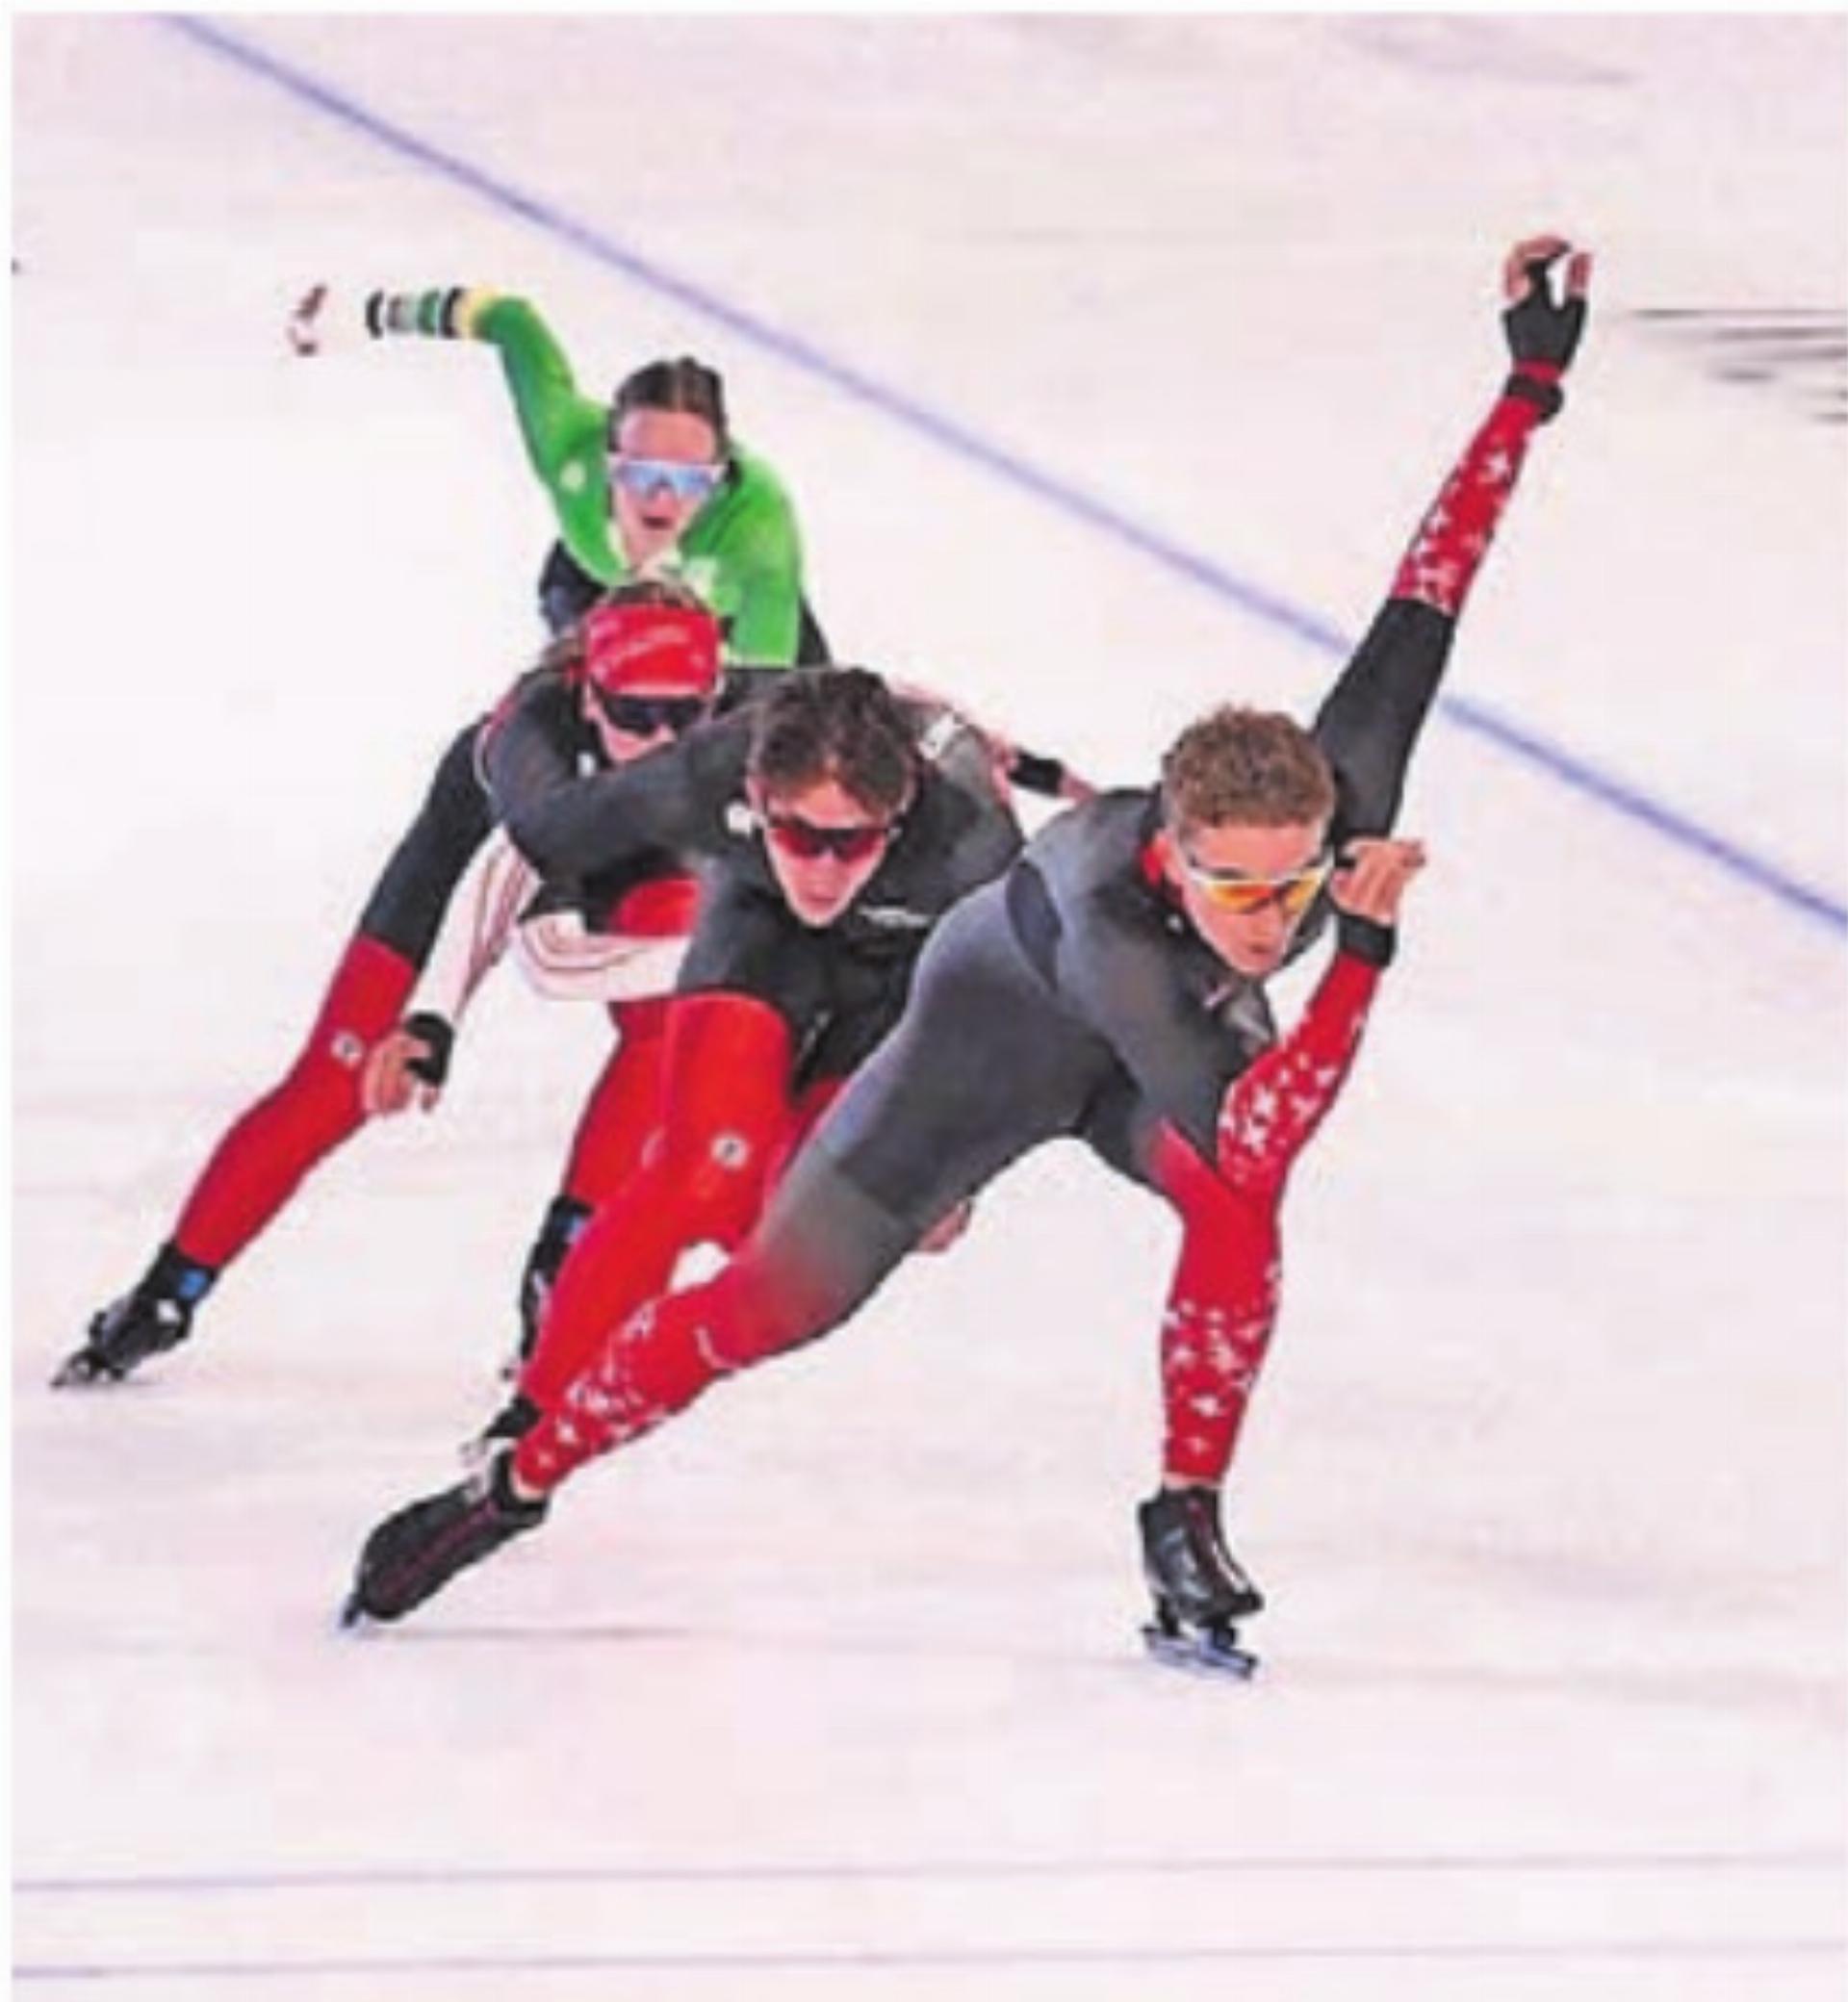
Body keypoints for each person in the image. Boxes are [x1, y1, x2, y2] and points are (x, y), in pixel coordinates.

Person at [342, 235, 1593, 1659]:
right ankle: (518, 1482)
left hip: (1138, 1066)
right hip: (981, 1055)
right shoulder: (1109, 917)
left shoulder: (1329, 805)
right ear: (1168, 855)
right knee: (760, 1309)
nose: (1264, 915)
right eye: (1229, 888)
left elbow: (1427, 594)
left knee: (1233, 1217)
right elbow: (1262, 1126)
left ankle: (1184, 1510)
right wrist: (1355, 957)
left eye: (1288, 892)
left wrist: (1526, 390)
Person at [53, 581, 744, 1387]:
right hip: (485, 855)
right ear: (588, 696)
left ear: (717, 696)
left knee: (665, 1030)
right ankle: (167, 1293)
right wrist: (430, 1023)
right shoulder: (532, 744)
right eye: (633, 716)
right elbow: (539, 948)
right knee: (340, 1077)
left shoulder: (750, 717)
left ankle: (566, 1258)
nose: (661, 740)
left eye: (683, 716)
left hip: (632, 853)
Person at [286, 282, 831, 661]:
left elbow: (764, 693)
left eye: (690, 481)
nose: (663, 496)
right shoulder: (568, 446)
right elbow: (511, 323)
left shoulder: (758, 523)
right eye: (641, 473)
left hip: (729, 628)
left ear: (720, 475)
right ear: (606, 459)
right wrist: (370, 314)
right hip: (591, 593)